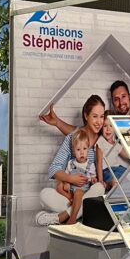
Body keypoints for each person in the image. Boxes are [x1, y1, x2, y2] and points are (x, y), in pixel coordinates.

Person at [36, 95, 107, 226]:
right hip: (71, 194)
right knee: (44, 194)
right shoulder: (72, 138)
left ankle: (61, 217)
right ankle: (80, 213)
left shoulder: (103, 141)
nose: (99, 122)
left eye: (102, 117)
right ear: (86, 116)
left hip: (89, 193)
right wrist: (71, 179)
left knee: (99, 188)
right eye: (95, 116)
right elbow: (54, 169)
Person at [39, 80, 130, 136]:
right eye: (116, 99)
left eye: (123, 97)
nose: (121, 102)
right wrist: (57, 122)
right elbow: (79, 133)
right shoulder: (106, 123)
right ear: (113, 102)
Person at [56, 131, 100, 222]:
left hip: (82, 190)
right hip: (71, 190)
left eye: (84, 149)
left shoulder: (90, 164)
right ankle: (71, 199)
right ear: (74, 150)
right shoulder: (71, 163)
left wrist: (93, 180)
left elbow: (93, 177)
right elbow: (66, 175)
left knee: (78, 193)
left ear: (88, 149)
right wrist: (66, 183)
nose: (82, 152)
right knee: (59, 187)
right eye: (78, 150)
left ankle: (72, 218)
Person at [96, 112, 130, 189]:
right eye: (105, 126)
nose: (108, 129)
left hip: (118, 168)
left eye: (111, 126)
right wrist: (100, 180)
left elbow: (127, 155)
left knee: (128, 176)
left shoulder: (116, 143)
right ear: (101, 128)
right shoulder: (101, 141)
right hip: (107, 170)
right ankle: (109, 185)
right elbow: (99, 162)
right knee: (114, 182)